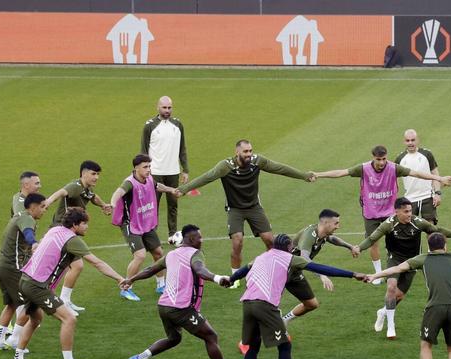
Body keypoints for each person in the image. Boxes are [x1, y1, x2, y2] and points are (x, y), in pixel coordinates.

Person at [228, 234, 366, 359]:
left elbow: (243, 270)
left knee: (253, 347)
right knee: (284, 345)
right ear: (289, 248)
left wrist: (230, 280)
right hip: (265, 306)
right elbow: (321, 268)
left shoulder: (260, 257)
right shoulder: (290, 258)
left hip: (247, 304)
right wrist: (353, 274)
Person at [178, 139, 316, 287]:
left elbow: (280, 168)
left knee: (269, 240)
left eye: (250, 151)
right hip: (235, 209)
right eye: (245, 151)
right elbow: (207, 177)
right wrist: (184, 189)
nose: (249, 154)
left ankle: (273, 270)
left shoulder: (257, 161)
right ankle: (235, 277)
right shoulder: (226, 166)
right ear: (237, 152)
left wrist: (304, 175)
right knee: (237, 241)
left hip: (254, 208)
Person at [10, 208, 125, 359]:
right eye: (84, 223)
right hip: (37, 285)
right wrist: (119, 278)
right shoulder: (72, 240)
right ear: (75, 225)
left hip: (25, 280)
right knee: (69, 319)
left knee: (35, 319)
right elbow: (97, 263)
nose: (87, 227)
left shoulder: (55, 230)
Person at [315, 145, 451, 285]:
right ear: (373, 158)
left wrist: (439, 178)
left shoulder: (394, 168)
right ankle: (378, 274)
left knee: (395, 241)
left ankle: (399, 266)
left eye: (384, 159)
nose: (381, 162)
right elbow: (341, 173)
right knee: (373, 241)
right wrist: (318, 174)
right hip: (371, 212)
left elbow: (416, 173)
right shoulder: (363, 168)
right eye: (378, 159)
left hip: (389, 212)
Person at [124, 224, 242, 359]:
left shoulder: (171, 254)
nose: (202, 240)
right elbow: (200, 270)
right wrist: (218, 278)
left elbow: (150, 269)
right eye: (199, 237)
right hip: (180, 308)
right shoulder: (195, 254)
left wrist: (131, 279)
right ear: (191, 239)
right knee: (210, 336)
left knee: (174, 338)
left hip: (163, 306)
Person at [352, 197, 451, 340]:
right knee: (391, 287)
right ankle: (391, 326)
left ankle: (383, 312)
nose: (409, 214)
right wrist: (359, 248)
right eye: (406, 211)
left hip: (413, 261)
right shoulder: (389, 224)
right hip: (395, 259)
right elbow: (372, 239)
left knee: (399, 296)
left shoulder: (417, 222)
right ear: (397, 212)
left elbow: (438, 230)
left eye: (410, 211)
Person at [43, 161, 113, 315]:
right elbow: (62, 192)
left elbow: (93, 197)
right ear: (83, 173)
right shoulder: (75, 186)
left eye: (98, 174)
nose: (97, 177)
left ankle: (64, 300)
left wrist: (103, 205)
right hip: (60, 233)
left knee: (76, 266)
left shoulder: (86, 188)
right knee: (60, 268)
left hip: (69, 233)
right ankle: (47, 301)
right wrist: (48, 201)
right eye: (93, 174)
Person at [109, 154, 181, 301]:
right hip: (131, 224)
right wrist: (112, 204)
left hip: (145, 222)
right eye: (145, 167)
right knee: (140, 255)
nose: (148, 169)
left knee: (158, 253)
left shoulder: (149, 179)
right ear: (136, 168)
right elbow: (118, 192)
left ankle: (161, 285)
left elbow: (157, 185)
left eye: (149, 166)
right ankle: (126, 289)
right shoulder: (129, 183)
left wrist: (171, 190)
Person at [0, 194, 46, 351]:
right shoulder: (27, 218)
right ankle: (14, 339)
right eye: (42, 207)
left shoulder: (19, 216)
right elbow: (28, 233)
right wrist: (34, 243)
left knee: (11, 304)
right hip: (12, 267)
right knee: (28, 304)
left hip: (1, 266)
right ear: (33, 207)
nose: (45, 210)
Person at [141, 95, 189, 238]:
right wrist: (144, 171)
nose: (167, 110)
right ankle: (152, 235)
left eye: (169, 107)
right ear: (158, 107)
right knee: (153, 205)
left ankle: (172, 234)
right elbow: (143, 151)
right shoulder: (149, 126)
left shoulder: (178, 125)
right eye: (164, 107)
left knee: (173, 205)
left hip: (173, 172)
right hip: (155, 172)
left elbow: (182, 148)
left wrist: (185, 170)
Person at [395, 129, 441, 224]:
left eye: (413, 140)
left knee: (430, 228)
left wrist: (437, 193)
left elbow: (435, 174)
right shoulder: (400, 158)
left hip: (428, 196)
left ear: (418, 140)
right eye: (407, 140)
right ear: (404, 142)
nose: (410, 143)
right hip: (410, 199)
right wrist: (395, 198)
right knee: (410, 229)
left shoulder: (427, 154)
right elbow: (393, 179)